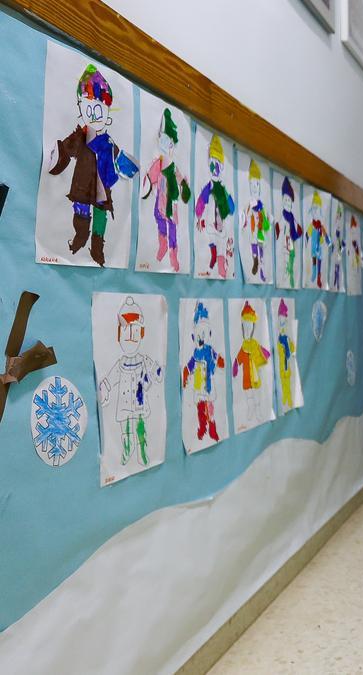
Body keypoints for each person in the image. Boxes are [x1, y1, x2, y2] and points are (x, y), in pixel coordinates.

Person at [48, 64, 139, 266]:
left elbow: (119, 160)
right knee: (81, 214)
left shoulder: (108, 142)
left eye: (99, 109)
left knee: (100, 220)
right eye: (89, 108)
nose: (95, 114)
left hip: (102, 192)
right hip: (81, 187)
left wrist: (128, 167)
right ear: (81, 108)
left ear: (108, 112)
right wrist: (57, 159)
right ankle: (79, 241)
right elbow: (65, 150)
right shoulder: (80, 137)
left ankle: (97, 250)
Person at [98, 296, 163, 465]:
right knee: (125, 426)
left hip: (139, 401)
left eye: (135, 332)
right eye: (127, 332)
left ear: (141, 334)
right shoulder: (120, 364)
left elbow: (155, 372)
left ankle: (142, 449)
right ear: (119, 335)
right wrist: (105, 387)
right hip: (125, 402)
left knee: (140, 425)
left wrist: (157, 371)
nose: (131, 338)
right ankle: (127, 449)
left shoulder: (144, 359)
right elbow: (111, 379)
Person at [141, 109, 190, 271]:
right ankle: (163, 245)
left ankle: (173, 254)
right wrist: (147, 181)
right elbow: (150, 177)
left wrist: (184, 184)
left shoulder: (172, 167)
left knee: (172, 225)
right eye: (162, 138)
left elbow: (180, 177)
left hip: (172, 202)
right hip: (160, 199)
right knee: (159, 218)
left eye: (168, 140)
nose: (164, 143)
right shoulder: (159, 162)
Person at [181, 301, 225, 442]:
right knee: (200, 406)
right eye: (198, 334)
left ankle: (212, 426)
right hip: (199, 384)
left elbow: (217, 358)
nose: (200, 338)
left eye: (203, 333)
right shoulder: (195, 352)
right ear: (194, 336)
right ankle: (202, 426)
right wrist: (186, 372)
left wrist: (220, 361)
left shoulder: (209, 350)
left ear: (208, 333)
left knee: (209, 406)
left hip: (208, 383)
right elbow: (190, 365)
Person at [195, 135, 235, 278]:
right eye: (211, 162)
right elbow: (202, 200)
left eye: (217, 163)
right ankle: (213, 257)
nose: (214, 167)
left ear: (222, 166)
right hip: (211, 223)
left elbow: (232, 207)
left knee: (222, 247)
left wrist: (230, 205)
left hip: (222, 226)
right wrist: (199, 214)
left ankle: (221, 266)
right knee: (212, 241)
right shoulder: (210, 186)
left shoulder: (223, 189)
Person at [232, 301, 271, 424]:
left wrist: (264, 353)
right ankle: (250, 408)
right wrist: (236, 364)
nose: (247, 330)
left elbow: (261, 352)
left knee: (256, 393)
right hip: (246, 376)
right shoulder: (243, 346)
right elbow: (239, 357)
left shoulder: (254, 344)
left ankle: (258, 409)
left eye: (249, 326)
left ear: (253, 327)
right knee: (248, 394)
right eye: (245, 326)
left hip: (254, 376)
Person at [242, 159, 271, 281]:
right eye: (252, 184)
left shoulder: (261, 206)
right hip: (253, 232)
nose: (255, 187)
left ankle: (262, 270)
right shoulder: (249, 204)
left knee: (261, 250)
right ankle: (255, 259)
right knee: (254, 245)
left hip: (260, 234)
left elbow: (266, 224)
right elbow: (245, 216)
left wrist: (267, 221)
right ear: (249, 186)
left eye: (257, 184)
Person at [276, 300, 297, 409]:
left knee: (287, 381)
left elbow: (292, 349)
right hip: (281, 365)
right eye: (280, 319)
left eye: (283, 319)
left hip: (286, 365)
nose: (281, 320)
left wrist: (288, 346)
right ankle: (285, 396)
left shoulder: (287, 338)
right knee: (283, 382)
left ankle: (288, 397)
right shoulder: (279, 337)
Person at [307, 192, 330, 289]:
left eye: (317, 209)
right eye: (314, 209)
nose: (315, 211)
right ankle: (314, 272)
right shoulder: (312, 225)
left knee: (319, 259)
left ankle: (319, 276)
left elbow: (325, 233)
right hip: (313, 246)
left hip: (319, 247)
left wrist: (328, 241)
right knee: (313, 259)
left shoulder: (320, 226)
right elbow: (308, 233)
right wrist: (306, 238)